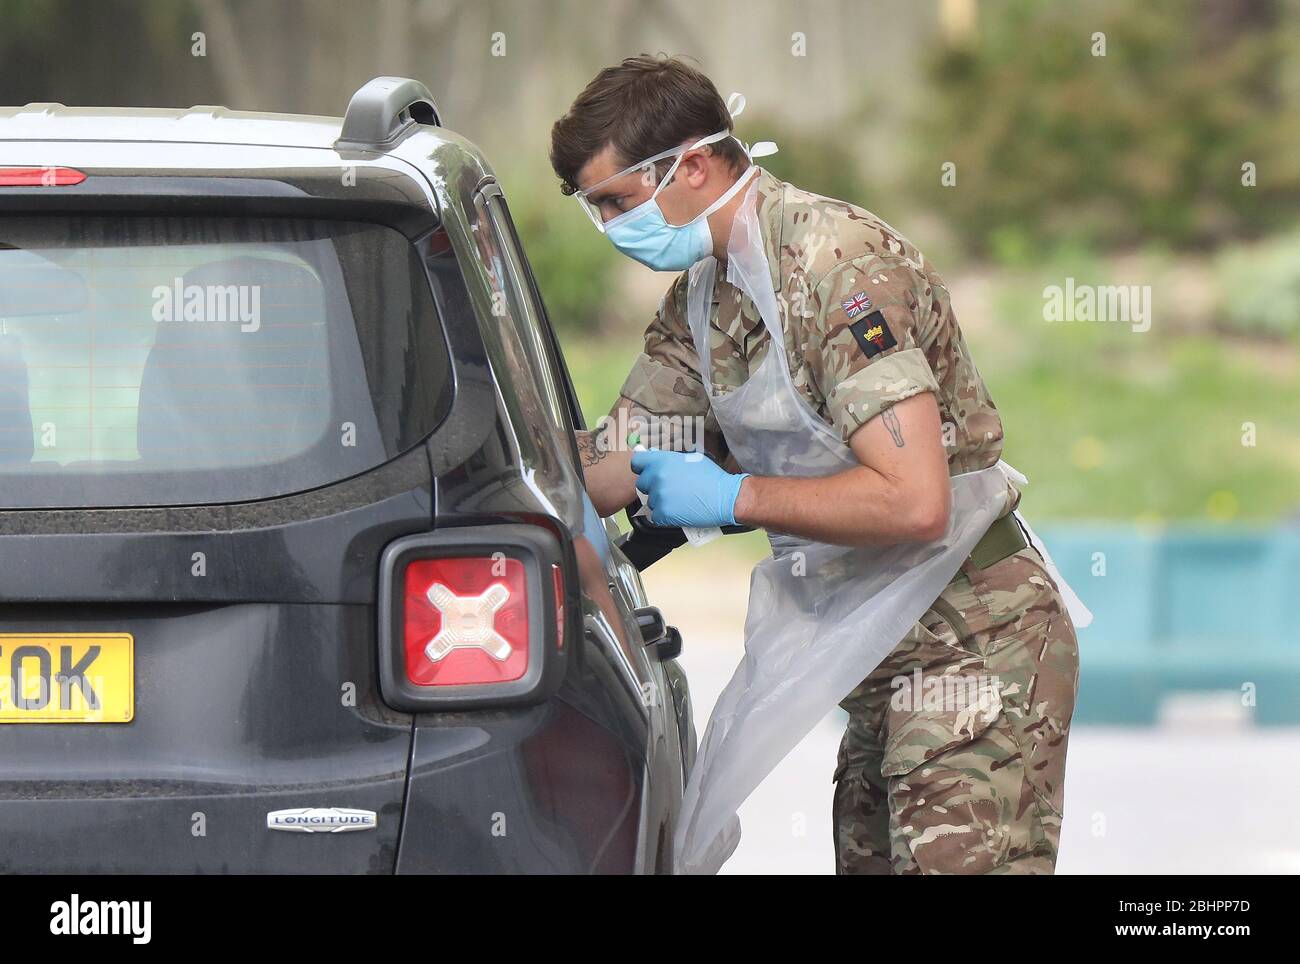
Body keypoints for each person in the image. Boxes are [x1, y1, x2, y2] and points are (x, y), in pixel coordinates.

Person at [551, 54, 1083, 875]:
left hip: (972, 643)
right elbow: (617, 457)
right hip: (873, 648)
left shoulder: (837, 268)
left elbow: (914, 503)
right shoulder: (708, 297)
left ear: (692, 165)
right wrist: (494, 475)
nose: (614, 228)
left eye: (617, 202)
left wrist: (737, 497)